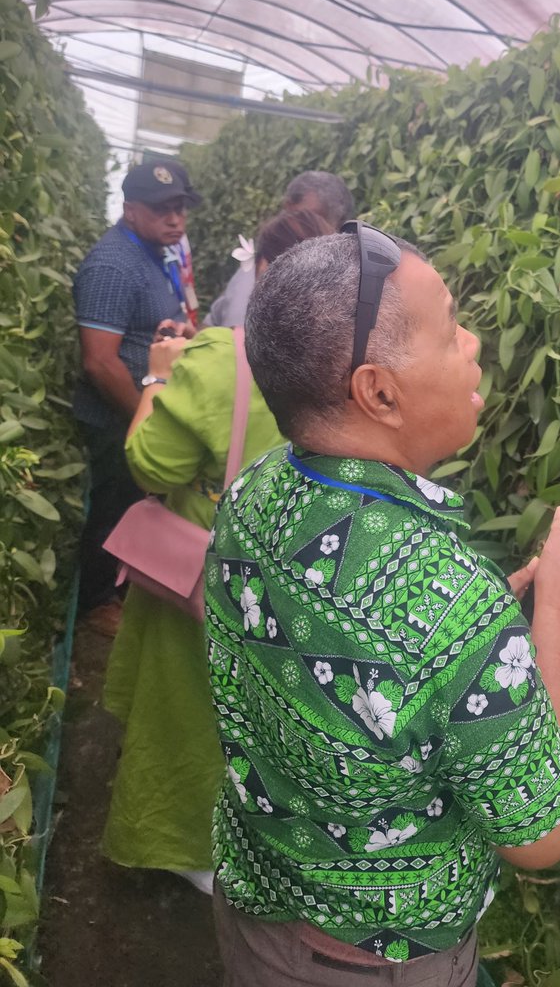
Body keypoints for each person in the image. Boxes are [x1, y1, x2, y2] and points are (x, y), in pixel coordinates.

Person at [206, 225, 560, 985]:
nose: (474, 344)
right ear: (379, 391)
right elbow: (544, 834)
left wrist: (493, 633)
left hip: (256, 917)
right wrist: (551, 619)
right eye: (450, 326)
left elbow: (354, 659)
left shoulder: (256, 490)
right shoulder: (446, 610)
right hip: (374, 966)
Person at [102, 209, 333, 893]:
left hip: (208, 584)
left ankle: (183, 850)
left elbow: (151, 466)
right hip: (305, 584)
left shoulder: (224, 360)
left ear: (261, 273)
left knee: (189, 714)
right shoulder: (356, 365)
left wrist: (155, 377)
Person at [72, 158, 201, 637]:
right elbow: (100, 362)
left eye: (181, 208)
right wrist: (140, 420)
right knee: (112, 506)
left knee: (134, 500)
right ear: (130, 210)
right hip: (115, 417)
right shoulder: (112, 266)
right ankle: (95, 601)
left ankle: (121, 586)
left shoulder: (152, 254)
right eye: (162, 209)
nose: (175, 219)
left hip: (141, 409)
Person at [203, 170, 353, 328]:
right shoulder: (255, 283)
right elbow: (235, 343)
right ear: (288, 208)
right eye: (307, 219)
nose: (317, 235)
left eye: (327, 229)